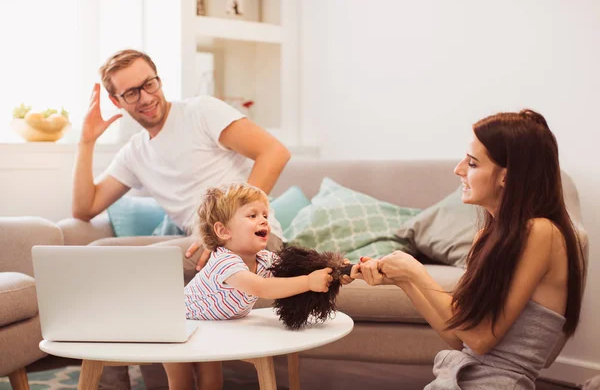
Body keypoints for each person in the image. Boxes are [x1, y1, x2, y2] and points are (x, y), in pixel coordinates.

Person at [72, 49, 290, 389]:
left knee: (137, 268)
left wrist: (223, 230)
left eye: (149, 83)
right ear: (117, 102)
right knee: (102, 254)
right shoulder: (135, 152)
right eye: (131, 93)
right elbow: (85, 207)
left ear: (159, 79)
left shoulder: (200, 111)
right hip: (200, 246)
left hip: (247, 241)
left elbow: (275, 152)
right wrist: (86, 140)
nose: (145, 97)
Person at [353, 110, 585, 389]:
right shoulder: (487, 239)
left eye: (472, 163)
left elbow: (481, 338)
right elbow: (460, 338)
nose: (459, 169)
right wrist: (404, 280)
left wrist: (416, 273)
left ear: (506, 178)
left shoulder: (541, 233)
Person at [164, 183, 336, 390]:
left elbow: (290, 273)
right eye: (252, 216)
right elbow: (261, 288)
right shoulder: (224, 263)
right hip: (176, 324)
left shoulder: (264, 259)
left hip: (209, 327)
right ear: (224, 230)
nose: (263, 220)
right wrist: (309, 282)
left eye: (265, 214)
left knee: (212, 382)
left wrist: (334, 270)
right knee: (181, 383)